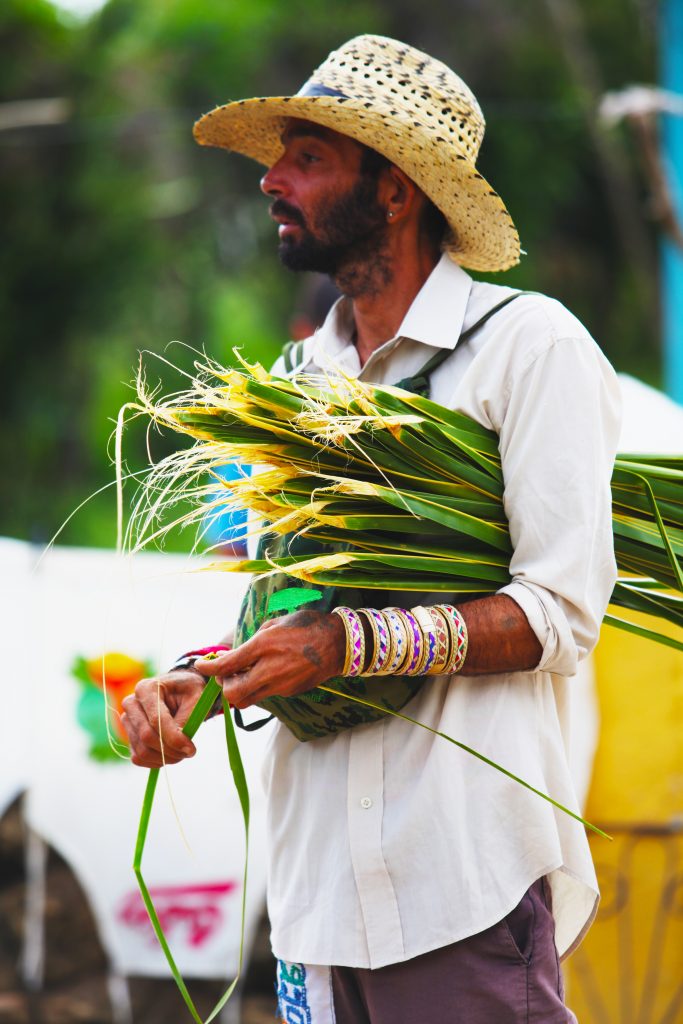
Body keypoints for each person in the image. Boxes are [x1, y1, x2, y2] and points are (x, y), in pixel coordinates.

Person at [122, 35, 621, 1023]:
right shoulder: (293, 393)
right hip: (315, 904)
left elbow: (559, 613)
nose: (269, 179)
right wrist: (207, 677)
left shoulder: (524, 349)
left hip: (460, 889)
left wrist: (346, 643)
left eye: (305, 158)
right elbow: (292, 604)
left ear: (393, 193)